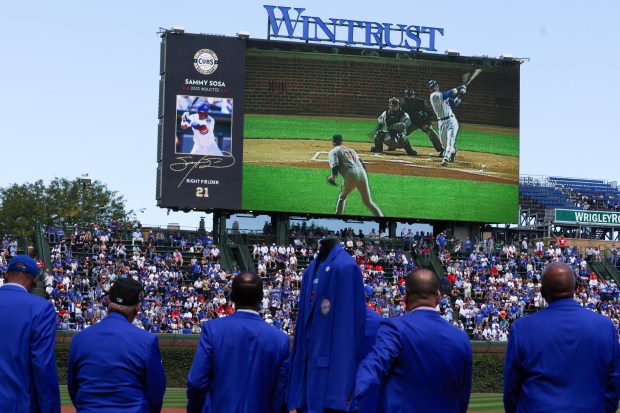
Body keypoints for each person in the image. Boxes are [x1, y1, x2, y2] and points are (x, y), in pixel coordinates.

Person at [503, 262, 620, 413]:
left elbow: (511, 391)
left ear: (542, 292)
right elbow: (613, 386)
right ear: (577, 286)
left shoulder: (521, 328)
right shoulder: (605, 326)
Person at [354, 269, 472, 413]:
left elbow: (373, 367)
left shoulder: (394, 328)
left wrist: (348, 397)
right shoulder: (461, 338)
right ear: (438, 297)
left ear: (405, 296)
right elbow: (462, 397)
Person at [187, 271, 290, 413]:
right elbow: (281, 394)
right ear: (261, 297)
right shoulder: (280, 339)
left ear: (232, 296)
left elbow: (196, 383)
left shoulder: (212, 329)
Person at [288, 237, 367, 412]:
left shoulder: (346, 267)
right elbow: (301, 331)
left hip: (328, 388)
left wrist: (337, 399)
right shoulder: (310, 270)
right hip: (303, 388)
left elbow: (347, 335)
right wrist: (292, 398)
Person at [68, 277, 166, 412]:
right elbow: (156, 393)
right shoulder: (147, 340)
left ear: (107, 300)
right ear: (137, 308)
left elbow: (73, 388)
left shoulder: (78, 339)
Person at [0, 255, 61, 413]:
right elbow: (43, 367)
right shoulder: (41, 308)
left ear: (5, 274)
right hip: (15, 405)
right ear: (35, 279)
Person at [327, 134, 383, 217]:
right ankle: (381, 217)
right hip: (362, 173)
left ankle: (338, 216)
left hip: (351, 174)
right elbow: (362, 164)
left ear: (333, 142)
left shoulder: (334, 151)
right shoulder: (351, 150)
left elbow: (335, 166)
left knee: (343, 197)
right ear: (341, 141)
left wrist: (332, 178)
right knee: (368, 201)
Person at [428, 79, 466, 166]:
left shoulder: (442, 95)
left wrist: (461, 95)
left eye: (435, 86)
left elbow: (454, 104)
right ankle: (452, 151)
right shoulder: (434, 96)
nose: (434, 88)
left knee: (450, 141)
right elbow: (449, 93)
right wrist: (460, 88)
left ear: (437, 86)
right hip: (441, 122)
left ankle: (446, 158)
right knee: (444, 144)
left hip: (451, 121)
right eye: (432, 87)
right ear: (430, 89)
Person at [400, 87, 444, 156]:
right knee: (400, 131)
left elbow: (431, 113)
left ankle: (441, 149)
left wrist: (427, 123)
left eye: (411, 95)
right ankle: (393, 145)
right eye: (407, 96)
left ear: (414, 95)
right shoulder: (402, 103)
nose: (409, 97)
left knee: (430, 130)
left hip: (422, 122)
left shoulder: (421, 103)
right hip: (410, 123)